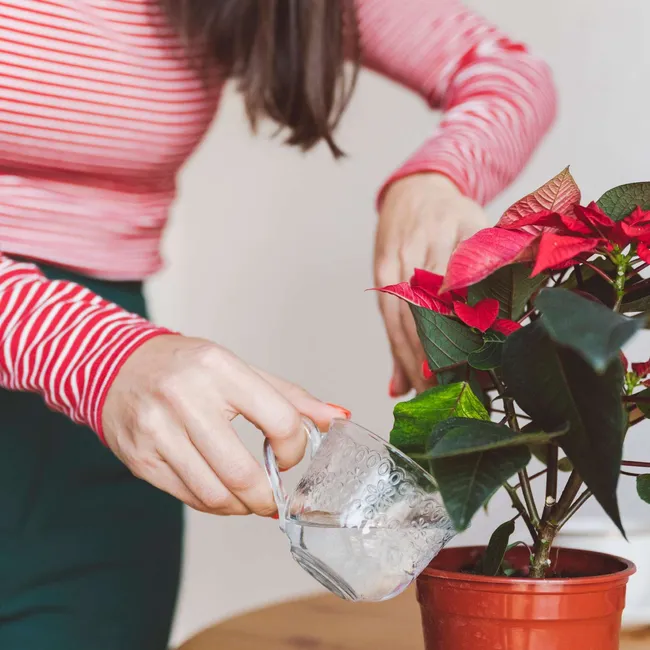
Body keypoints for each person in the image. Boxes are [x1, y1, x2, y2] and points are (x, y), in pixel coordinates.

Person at [0, 0, 555, 648]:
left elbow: (510, 72)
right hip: (105, 363)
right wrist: (92, 353)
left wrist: (437, 177)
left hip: (94, 442)